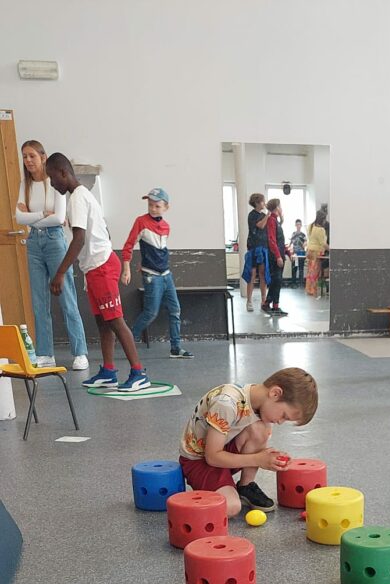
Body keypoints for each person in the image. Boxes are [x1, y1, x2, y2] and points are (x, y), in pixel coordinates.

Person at [46, 153, 151, 392]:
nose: (52, 184)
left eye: (52, 178)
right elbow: (104, 230)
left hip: (102, 266)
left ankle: (138, 373)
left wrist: (60, 273)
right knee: (102, 322)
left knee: (115, 320)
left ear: (63, 173)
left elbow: (79, 239)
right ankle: (109, 371)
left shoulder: (77, 198)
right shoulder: (83, 195)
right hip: (94, 267)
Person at [179, 368, 318, 516]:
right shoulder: (226, 403)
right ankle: (199, 500)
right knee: (231, 506)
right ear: (275, 393)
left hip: (223, 452)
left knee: (262, 427)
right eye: (284, 415)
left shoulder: (258, 400)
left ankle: (245, 486)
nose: (280, 422)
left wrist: (271, 457)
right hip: (200, 461)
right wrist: (258, 459)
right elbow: (212, 457)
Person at [15, 140, 89, 371]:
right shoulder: (24, 185)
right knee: (39, 301)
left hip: (55, 240)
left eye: (32, 156)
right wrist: (41, 214)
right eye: (24, 156)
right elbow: (19, 218)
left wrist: (32, 214)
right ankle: (45, 353)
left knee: (67, 296)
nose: (28, 160)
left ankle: (80, 352)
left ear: (43, 157)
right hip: (33, 243)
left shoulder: (53, 182)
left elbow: (58, 218)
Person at [121, 187, 192, 358]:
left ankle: (175, 348)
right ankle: (128, 341)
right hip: (151, 276)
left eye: (157, 206)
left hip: (166, 274)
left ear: (166, 207)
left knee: (175, 310)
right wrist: (126, 269)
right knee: (151, 313)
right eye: (150, 205)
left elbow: (159, 250)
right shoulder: (141, 222)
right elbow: (128, 245)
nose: (153, 208)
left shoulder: (166, 227)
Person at [262, 199, 291, 316]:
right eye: (280, 206)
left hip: (279, 254)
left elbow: (280, 241)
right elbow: (272, 240)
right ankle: (270, 304)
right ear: (277, 208)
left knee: (277, 281)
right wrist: (278, 256)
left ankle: (273, 305)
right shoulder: (271, 220)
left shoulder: (276, 221)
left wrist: (287, 253)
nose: (281, 208)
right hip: (275, 256)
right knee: (276, 281)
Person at [244, 194, 269, 311]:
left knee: (263, 273)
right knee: (252, 274)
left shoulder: (263, 215)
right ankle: (249, 301)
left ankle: (264, 300)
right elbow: (261, 225)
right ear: (257, 203)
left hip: (263, 246)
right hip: (253, 247)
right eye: (263, 202)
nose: (264, 204)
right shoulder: (252, 215)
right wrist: (268, 215)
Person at [305, 211, 329, 297]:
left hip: (309, 251)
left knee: (310, 272)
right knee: (315, 272)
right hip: (316, 252)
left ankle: (309, 289)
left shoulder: (310, 226)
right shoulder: (321, 230)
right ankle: (313, 290)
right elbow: (323, 243)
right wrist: (331, 249)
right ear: (322, 220)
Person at [289, 219, 307, 286]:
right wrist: (290, 250)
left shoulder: (303, 235)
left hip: (301, 253)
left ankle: (301, 283)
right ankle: (293, 283)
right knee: (294, 268)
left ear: (301, 225)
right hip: (295, 253)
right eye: (297, 224)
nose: (298, 226)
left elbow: (306, 243)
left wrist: (305, 244)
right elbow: (290, 243)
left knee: (301, 268)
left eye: (299, 224)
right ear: (295, 225)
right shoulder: (293, 234)